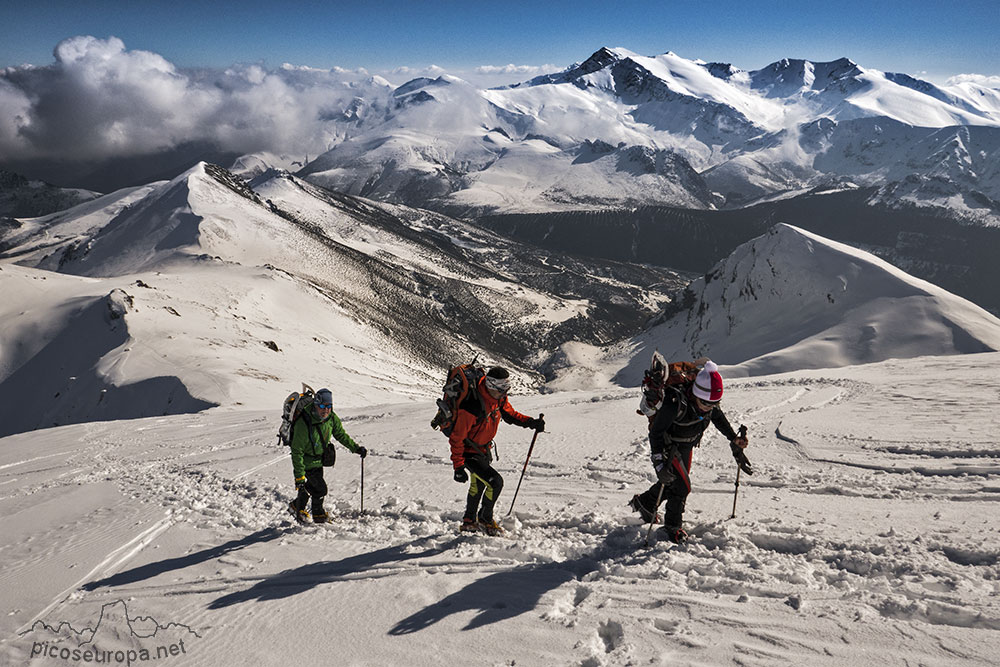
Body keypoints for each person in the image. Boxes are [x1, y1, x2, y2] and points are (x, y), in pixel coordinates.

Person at [629, 360, 749, 543]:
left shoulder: (708, 402)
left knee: (673, 483)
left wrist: (734, 438)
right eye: (706, 403)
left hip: (687, 445)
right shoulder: (674, 402)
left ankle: (645, 503)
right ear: (695, 393)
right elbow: (656, 434)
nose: (709, 407)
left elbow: (718, 417)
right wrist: (659, 463)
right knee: (682, 487)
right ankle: (673, 526)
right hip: (670, 446)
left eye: (714, 403)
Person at [450, 367, 544, 535]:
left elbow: (510, 414)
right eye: (502, 390)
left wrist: (531, 422)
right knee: (495, 482)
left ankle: (469, 521)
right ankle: (485, 519)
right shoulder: (472, 406)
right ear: (491, 386)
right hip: (469, 453)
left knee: (478, 484)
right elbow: (457, 438)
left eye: (506, 389)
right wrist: (458, 467)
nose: (505, 393)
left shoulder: (498, 398)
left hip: (483, 449)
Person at [287, 388, 367, 524]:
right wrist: (299, 476)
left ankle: (296, 507)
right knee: (320, 489)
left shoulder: (331, 418)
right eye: (322, 406)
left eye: (329, 406)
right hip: (306, 460)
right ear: (316, 405)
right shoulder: (304, 423)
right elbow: (297, 451)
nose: (326, 410)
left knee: (311, 487)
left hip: (319, 459)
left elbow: (340, 434)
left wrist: (356, 448)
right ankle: (319, 516)